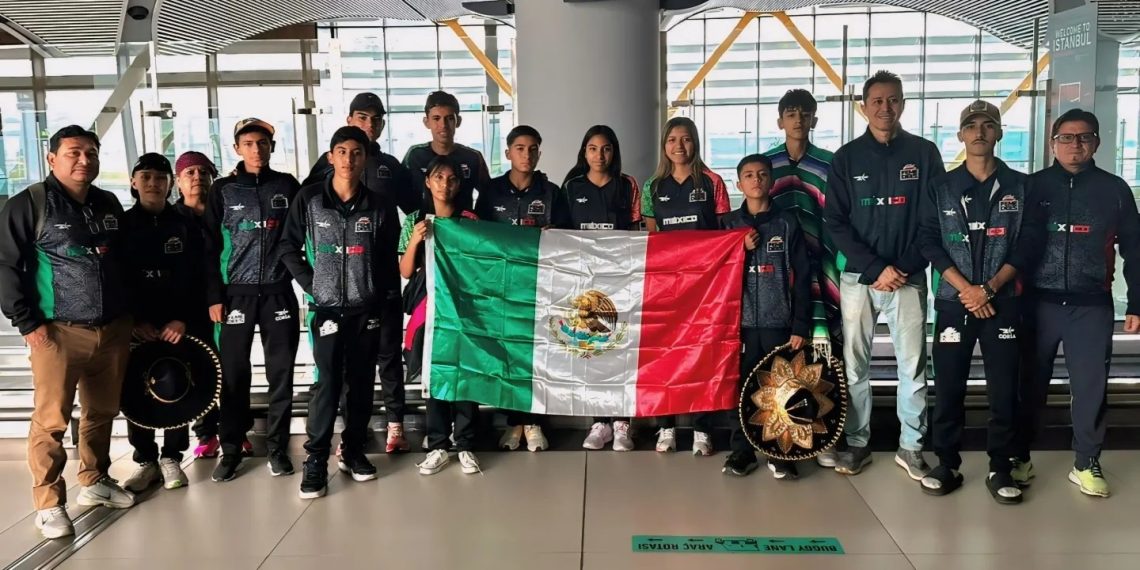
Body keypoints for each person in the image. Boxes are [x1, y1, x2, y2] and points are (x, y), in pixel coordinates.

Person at [0, 125, 135, 538]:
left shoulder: (108, 202)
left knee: (101, 412)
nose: (84, 160)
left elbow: (123, 264)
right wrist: (28, 325)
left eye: (91, 153)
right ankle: (49, 502)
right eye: (74, 152)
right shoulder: (30, 204)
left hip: (111, 329)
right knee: (52, 419)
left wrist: (131, 318)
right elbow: (4, 266)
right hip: (57, 332)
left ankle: (94, 482)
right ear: (51, 157)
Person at [916, 101, 1045, 504]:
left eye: (988, 125)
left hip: (1003, 302)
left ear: (999, 133)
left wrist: (988, 288)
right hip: (955, 303)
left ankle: (1001, 467)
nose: (979, 132)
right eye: (971, 126)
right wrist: (967, 290)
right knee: (949, 385)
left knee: (1004, 388)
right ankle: (947, 462)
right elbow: (928, 242)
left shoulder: (1022, 187)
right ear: (960, 135)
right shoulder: (941, 188)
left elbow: (1028, 244)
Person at [824, 70, 944, 479]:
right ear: (863, 107)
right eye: (877, 101)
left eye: (893, 100)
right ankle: (858, 442)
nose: (885, 108)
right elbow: (836, 222)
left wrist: (904, 267)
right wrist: (876, 268)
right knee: (854, 366)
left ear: (903, 104)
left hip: (908, 278)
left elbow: (934, 220)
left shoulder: (925, 154)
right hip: (860, 279)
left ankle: (911, 446)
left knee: (912, 366)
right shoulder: (846, 157)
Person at [1015, 108, 1140, 498]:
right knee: (1027, 383)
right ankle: (1020, 455)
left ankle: (1086, 461)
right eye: (1066, 138)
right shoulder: (1031, 187)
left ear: (1097, 143)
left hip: (1091, 305)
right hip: (1037, 303)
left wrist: (1136, 301)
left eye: (1084, 137)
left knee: (1090, 387)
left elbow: (1134, 249)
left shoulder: (1115, 190)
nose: (1075, 145)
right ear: (1053, 143)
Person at [280, 126, 400, 498]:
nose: (349, 159)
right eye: (342, 152)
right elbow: (287, 247)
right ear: (331, 157)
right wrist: (313, 284)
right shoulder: (310, 200)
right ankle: (315, 459)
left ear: (365, 158)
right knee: (328, 384)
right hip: (327, 310)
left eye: (357, 152)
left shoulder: (379, 206)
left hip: (367, 310)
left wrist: (382, 302)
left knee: (363, 383)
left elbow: (386, 261)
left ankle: (354, 451)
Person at [303, 92, 411, 455]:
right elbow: (302, 225)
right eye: (362, 118)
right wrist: (314, 280)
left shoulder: (391, 167)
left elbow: (416, 209)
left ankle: (394, 423)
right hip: (333, 295)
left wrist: (411, 251)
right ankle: (345, 437)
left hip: (378, 285)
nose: (369, 125)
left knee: (386, 357)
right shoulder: (323, 172)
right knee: (340, 369)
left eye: (376, 120)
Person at [205, 118, 302, 482]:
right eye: (248, 144)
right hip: (236, 297)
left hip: (278, 292)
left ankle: (277, 448)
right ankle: (231, 448)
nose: (256, 150)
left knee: (282, 373)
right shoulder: (223, 190)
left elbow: (298, 236)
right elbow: (209, 248)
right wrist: (215, 296)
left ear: (272, 147)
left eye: (262, 143)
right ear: (237, 149)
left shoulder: (287, 186)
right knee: (233, 374)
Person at [641, 116, 731, 455]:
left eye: (686, 139)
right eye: (672, 139)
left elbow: (724, 232)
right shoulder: (653, 187)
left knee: (702, 356)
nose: (679, 146)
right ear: (664, 145)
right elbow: (652, 238)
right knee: (666, 356)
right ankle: (666, 427)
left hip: (707, 286)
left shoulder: (712, 182)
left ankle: (701, 429)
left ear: (695, 142)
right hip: (667, 286)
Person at [119, 153, 209, 493]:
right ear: (134, 182)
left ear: (169, 182)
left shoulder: (185, 225)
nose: (153, 184)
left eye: (160, 178)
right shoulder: (122, 226)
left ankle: (172, 455)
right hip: (137, 323)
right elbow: (114, 278)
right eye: (146, 178)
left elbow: (198, 276)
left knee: (176, 383)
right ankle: (145, 460)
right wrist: (132, 321)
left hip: (177, 322)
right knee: (135, 388)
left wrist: (183, 319)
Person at [762, 89, 843, 468]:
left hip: (822, 268)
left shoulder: (829, 164)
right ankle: (782, 436)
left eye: (804, 113)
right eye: (790, 113)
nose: (797, 119)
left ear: (814, 119)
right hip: (776, 277)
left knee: (824, 358)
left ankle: (822, 439)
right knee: (782, 357)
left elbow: (840, 219)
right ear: (780, 120)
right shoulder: (767, 165)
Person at [474, 125, 566, 452]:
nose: (526, 155)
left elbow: (566, 239)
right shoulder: (491, 191)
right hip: (501, 287)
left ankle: (534, 421)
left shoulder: (552, 192)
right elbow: (479, 236)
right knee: (507, 355)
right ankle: (514, 423)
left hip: (540, 286)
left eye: (533, 149)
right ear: (508, 153)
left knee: (538, 354)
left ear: (539, 153)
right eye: (520, 148)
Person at [720, 154, 811, 478]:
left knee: (781, 389)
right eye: (748, 175)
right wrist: (736, 249)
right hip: (739, 326)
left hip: (778, 323)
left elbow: (802, 276)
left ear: (771, 181)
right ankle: (741, 452)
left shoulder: (787, 223)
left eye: (761, 174)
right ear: (739, 183)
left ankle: (779, 452)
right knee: (741, 388)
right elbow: (713, 271)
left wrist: (800, 323)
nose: (756, 180)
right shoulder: (728, 225)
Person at [561, 125, 642, 451]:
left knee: (622, 350)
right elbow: (561, 236)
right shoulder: (570, 187)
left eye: (606, 148)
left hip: (621, 281)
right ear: (584, 152)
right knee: (593, 351)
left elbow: (638, 233)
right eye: (593, 148)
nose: (599, 155)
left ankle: (622, 423)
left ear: (614, 152)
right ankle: (599, 423)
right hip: (585, 284)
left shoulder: (627, 186)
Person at [403, 156, 482, 475]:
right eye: (438, 178)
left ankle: (465, 444)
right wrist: (414, 240)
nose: (445, 184)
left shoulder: (470, 220)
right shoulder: (414, 220)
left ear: (459, 184)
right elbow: (406, 270)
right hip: (430, 308)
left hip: (463, 309)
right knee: (435, 375)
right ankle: (437, 445)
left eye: (451, 179)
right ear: (428, 181)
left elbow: (480, 267)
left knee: (464, 374)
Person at [174, 151, 255, 460]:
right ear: (178, 181)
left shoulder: (226, 212)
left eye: (203, 172)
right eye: (190, 173)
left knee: (233, 368)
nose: (197, 178)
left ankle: (237, 430)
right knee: (198, 369)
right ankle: (206, 431)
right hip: (187, 308)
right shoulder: (172, 219)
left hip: (226, 302)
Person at [402, 90, 491, 214]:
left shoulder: (472, 157)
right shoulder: (415, 155)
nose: (443, 125)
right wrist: (416, 218)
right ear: (426, 122)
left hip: (461, 229)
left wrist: (475, 218)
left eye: (449, 118)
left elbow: (489, 194)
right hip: (424, 228)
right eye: (436, 118)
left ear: (458, 121)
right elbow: (401, 193)